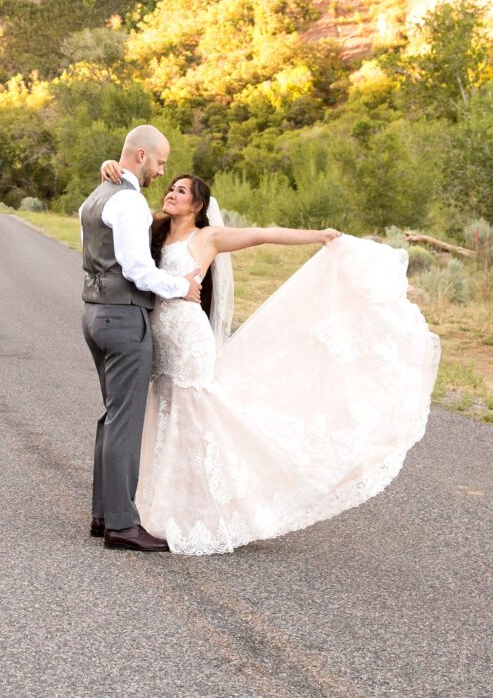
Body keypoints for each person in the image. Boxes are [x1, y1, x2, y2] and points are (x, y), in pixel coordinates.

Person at [100, 161, 441, 555]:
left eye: (181, 191)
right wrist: (111, 167)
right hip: (159, 336)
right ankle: (156, 505)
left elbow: (262, 234)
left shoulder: (208, 236)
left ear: (197, 205)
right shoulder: (153, 231)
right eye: (171, 187)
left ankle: (211, 511)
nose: (171, 193)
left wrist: (317, 235)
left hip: (188, 338)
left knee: (196, 419)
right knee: (166, 414)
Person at [79, 125, 202, 552]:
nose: (160, 171)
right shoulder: (127, 201)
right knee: (125, 421)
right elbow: (136, 270)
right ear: (142, 156)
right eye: (160, 162)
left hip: (94, 312)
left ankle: (102, 514)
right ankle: (121, 524)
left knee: (113, 416)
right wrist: (179, 287)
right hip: (124, 317)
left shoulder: (94, 198)